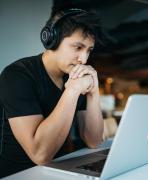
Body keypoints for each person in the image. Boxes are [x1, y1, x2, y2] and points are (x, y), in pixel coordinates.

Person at [0, 6, 104, 178]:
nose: (83, 59)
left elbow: (94, 141)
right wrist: (72, 90)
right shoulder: (17, 75)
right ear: (51, 40)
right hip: (18, 174)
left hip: (60, 171)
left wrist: (94, 91)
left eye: (88, 50)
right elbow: (40, 155)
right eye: (77, 47)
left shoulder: (74, 75)